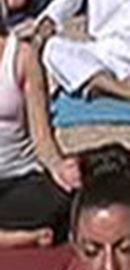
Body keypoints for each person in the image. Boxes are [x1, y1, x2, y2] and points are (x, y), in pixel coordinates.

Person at [0, 31, 77, 248]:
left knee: (63, 200)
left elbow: (41, 134)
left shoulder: (22, 56)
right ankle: (22, 238)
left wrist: (57, 166)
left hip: (20, 178)